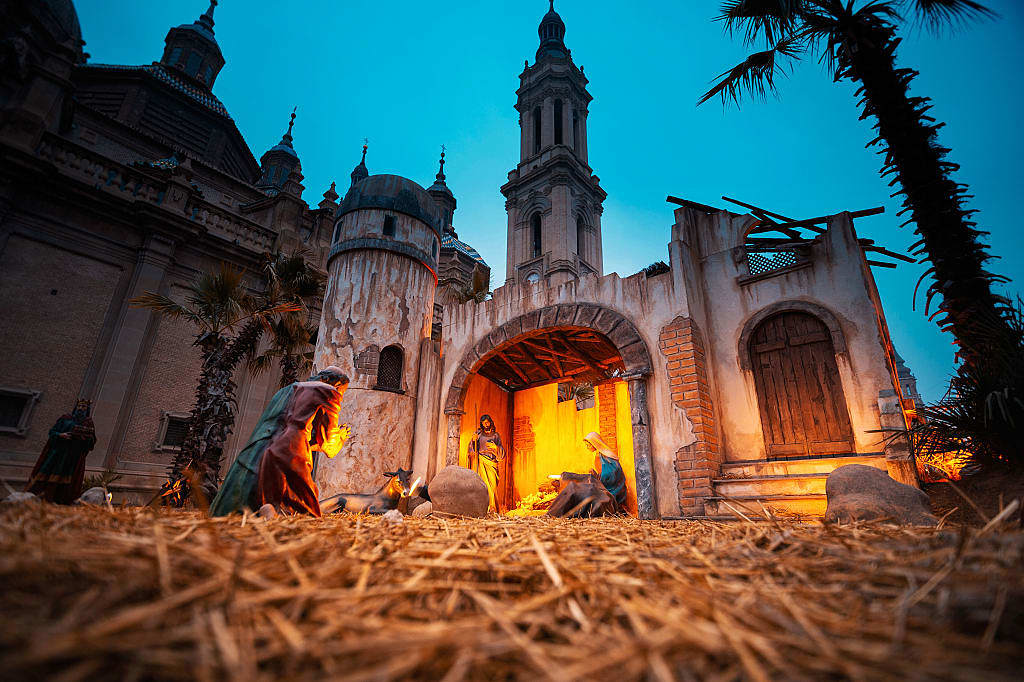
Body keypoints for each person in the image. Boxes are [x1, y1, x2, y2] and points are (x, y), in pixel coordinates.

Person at [210, 367, 350, 517]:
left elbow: (283, 428)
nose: (340, 394)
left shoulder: (287, 390)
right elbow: (329, 446)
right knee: (305, 508)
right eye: (342, 390)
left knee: (251, 499)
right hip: (292, 451)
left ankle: (265, 514)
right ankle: (270, 515)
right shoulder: (328, 391)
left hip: (259, 449)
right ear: (332, 382)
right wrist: (340, 438)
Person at [25, 399, 96, 504]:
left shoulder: (88, 422)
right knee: (48, 474)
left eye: (84, 407)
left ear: (87, 409)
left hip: (72, 456)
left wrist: (84, 438)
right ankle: (41, 497)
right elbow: (52, 432)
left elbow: (92, 440)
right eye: (79, 406)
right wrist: (60, 435)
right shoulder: (65, 418)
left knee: (67, 480)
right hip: (57, 453)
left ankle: (60, 500)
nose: (81, 409)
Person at [468, 414, 505, 513]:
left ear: (490, 422)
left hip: (492, 463)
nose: (486, 424)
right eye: (484, 423)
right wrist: (474, 440)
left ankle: (493, 508)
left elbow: (501, 450)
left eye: (487, 422)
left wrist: (496, 448)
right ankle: (486, 508)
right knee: (484, 485)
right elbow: (473, 450)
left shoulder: (496, 435)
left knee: (492, 486)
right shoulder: (478, 434)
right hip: (481, 462)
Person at [583, 431, 627, 509]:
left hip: (612, 488)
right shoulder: (598, 454)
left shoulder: (607, 455)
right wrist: (594, 474)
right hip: (603, 483)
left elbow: (613, 471)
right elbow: (601, 472)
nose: (587, 447)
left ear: (594, 443)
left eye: (588, 445)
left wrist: (601, 481)